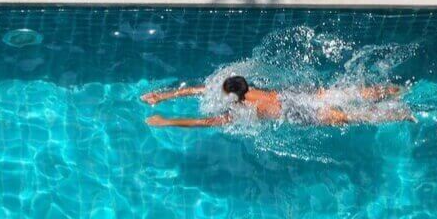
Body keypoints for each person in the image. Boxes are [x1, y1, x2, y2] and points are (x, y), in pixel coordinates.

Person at [141, 76, 416, 128]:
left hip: (296, 113)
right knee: (349, 93)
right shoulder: (252, 91)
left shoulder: (242, 111)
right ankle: (398, 89)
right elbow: (200, 89)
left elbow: (204, 122)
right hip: (293, 97)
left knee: (348, 118)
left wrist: (167, 120)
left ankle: (400, 114)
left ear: (232, 96)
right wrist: (164, 95)